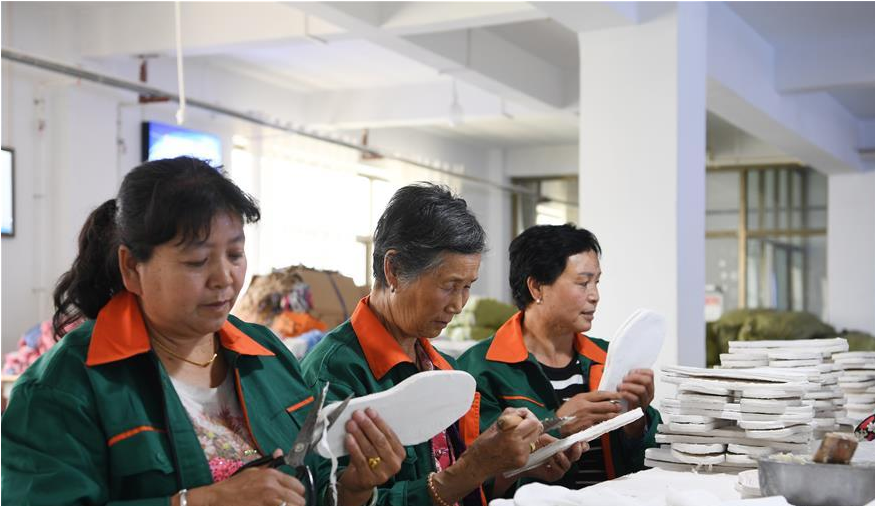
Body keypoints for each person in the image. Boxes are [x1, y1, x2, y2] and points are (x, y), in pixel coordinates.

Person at [1, 157, 404, 506]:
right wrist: (199, 501)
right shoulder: (66, 387)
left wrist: (353, 487)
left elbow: (305, 487)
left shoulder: (266, 355)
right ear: (132, 267)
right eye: (196, 261)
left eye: (235, 254)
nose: (224, 278)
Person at [300, 184, 583, 506]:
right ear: (394, 270)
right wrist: (473, 467)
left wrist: (513, 465)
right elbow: (330, 499)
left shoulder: (442, 367)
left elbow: (455, 476)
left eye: (468, 286)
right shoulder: (333, 376)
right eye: (449, 286)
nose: (459, 304)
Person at [458, 224, 661, 490]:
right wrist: (558, 425)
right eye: (583, 283)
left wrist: (636, 422)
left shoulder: (607, 358)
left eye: (597, 282)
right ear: (537, 288)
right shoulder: (480, 369)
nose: (595, 296)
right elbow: (474, 478)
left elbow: (654, 461)